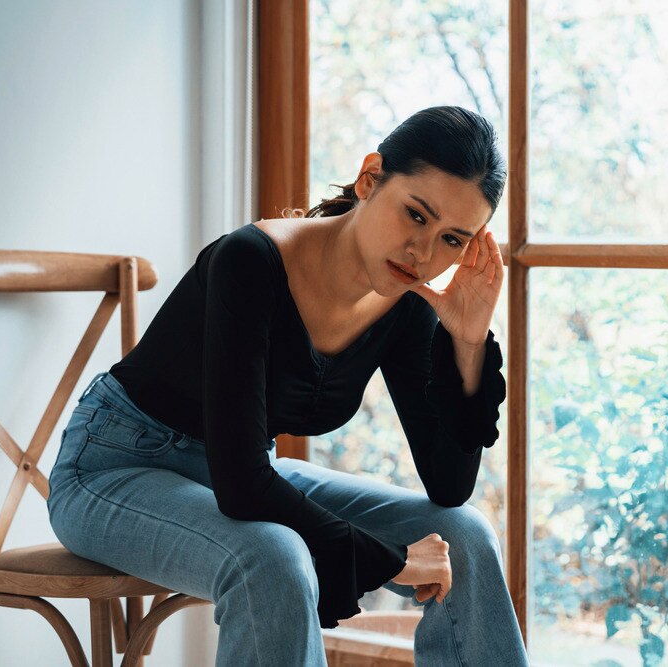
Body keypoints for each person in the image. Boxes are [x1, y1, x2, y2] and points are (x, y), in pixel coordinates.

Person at [47, 105, 529, 666]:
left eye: (452, 240)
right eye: (416, 216)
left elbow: (449, 486)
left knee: (464, 535)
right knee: (272, 556)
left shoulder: (406, 306)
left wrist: (467, 344)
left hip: (237, 468)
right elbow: (244, 487)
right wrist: (389, 560)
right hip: (112, 468)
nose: (424, 254)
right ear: (370, 178)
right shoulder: (250, 260)